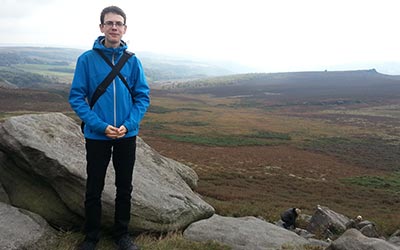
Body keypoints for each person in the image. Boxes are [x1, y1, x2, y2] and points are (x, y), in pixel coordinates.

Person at [69, 5, 150, 250]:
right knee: (94, 186)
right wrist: (100, 126)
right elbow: (76, 97)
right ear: (102, 27)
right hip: (97, 135)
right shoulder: (87, 59)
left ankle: (121, 235)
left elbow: (142, 97)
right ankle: (91, 236)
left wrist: (129, 124)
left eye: (119, 24)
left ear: (124, 29)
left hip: (127, 135)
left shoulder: (133, 62)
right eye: (110, 23)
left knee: (124, 186)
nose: (114, 27)